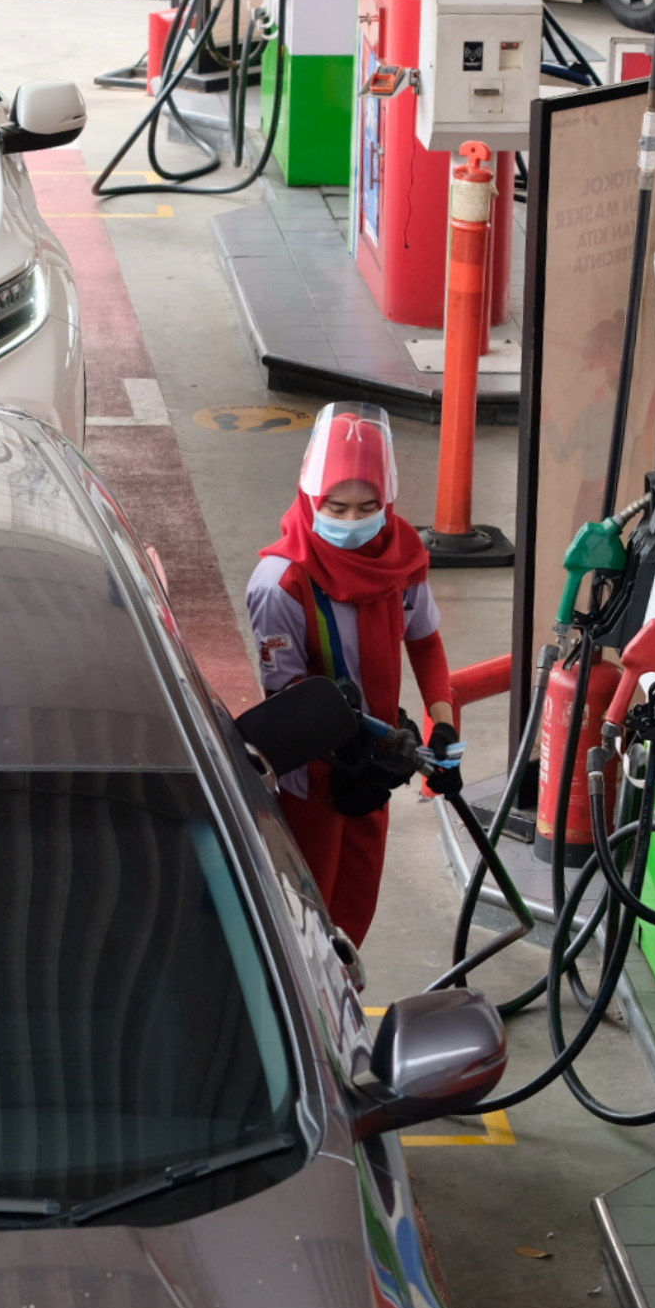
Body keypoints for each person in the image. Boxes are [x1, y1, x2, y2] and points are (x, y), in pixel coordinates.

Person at [245, 404, 461, 945]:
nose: (350, 521)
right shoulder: (280, 583)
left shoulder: (401, 558)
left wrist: (442, 724)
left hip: (376, 763)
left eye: (367, 508)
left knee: (356, 908)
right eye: (336, 507)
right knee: (308, 915)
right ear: (311, 497)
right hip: (312, 770)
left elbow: (425, 640)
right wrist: (365, 741)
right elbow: (290, 695)